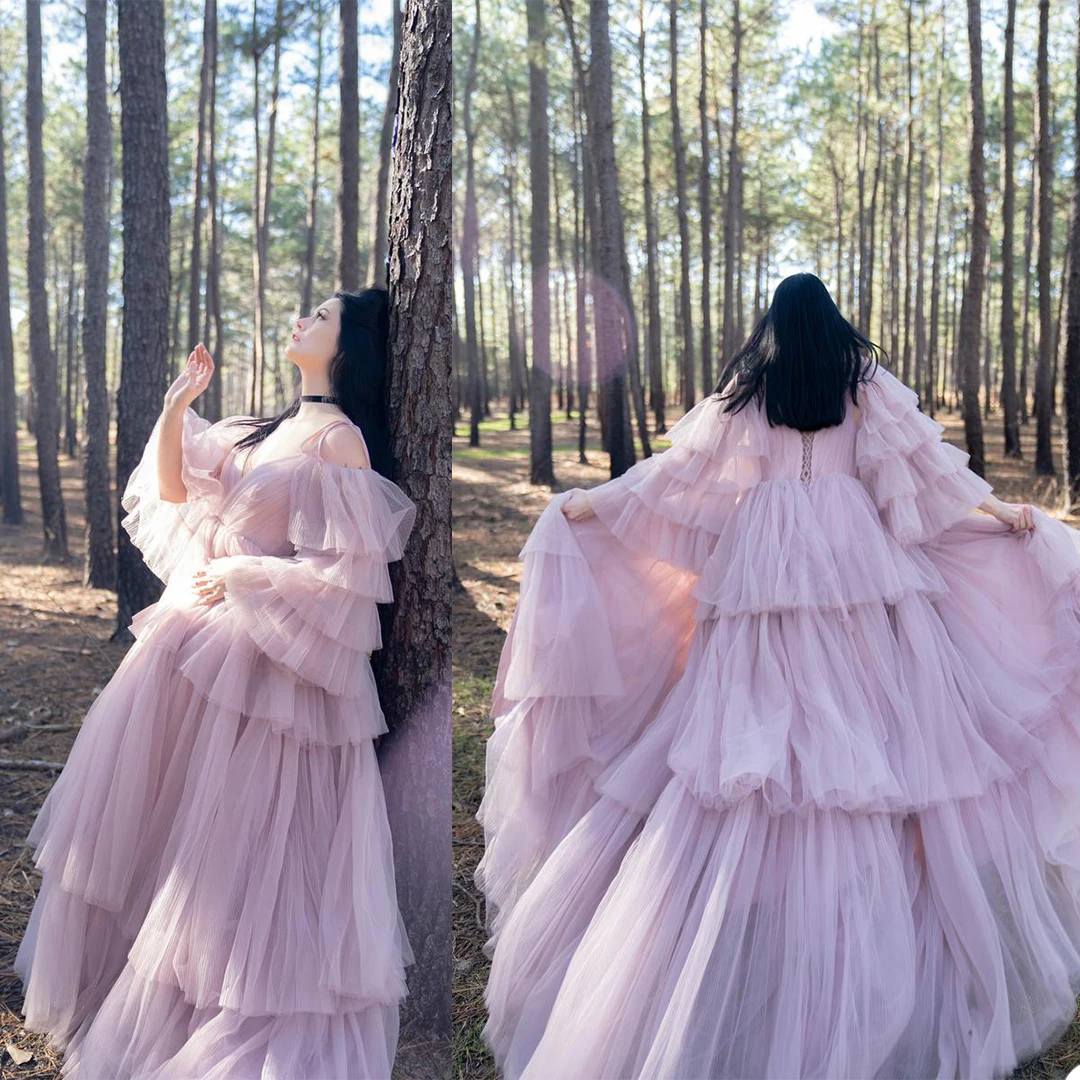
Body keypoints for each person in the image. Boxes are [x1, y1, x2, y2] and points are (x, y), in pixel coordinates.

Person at [475, 272, 1080, 1080]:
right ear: (833, 326)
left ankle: (760, 894)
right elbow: (925, 484)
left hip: (764, 558)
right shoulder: (861, 384)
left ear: (772, 327)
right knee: (862, 725)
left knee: (758, 724)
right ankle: (856, 895)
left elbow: (673, 479)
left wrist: (595, 503)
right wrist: (1000, 515)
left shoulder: (749, 387)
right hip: (850, 553)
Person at [14, 286, 417, 1079]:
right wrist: (176, 406)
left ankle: (215, 1015)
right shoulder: (262, 430)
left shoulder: (339, 442)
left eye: (324, 316)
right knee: (166, 839)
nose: (304, 319)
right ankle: (138, 997)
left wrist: (241, 570)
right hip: (193, 652)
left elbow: (349, 576)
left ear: (348, 349)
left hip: (271, 675)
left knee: (237, 849)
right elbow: (169, 489)